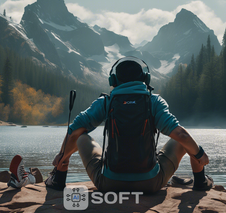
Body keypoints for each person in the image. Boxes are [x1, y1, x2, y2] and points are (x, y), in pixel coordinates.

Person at [44, 56, 212, 193]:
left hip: (109, 184)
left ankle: (58, 178)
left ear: (114, 80)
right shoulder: (153, 101)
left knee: (80, 136)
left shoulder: (107, 102)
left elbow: (74, 130)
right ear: (146, 79)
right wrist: (199, 154)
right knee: (181, 139)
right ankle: (200, 182)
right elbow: (181, 135)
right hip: (151, 184)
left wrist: (61, 156)